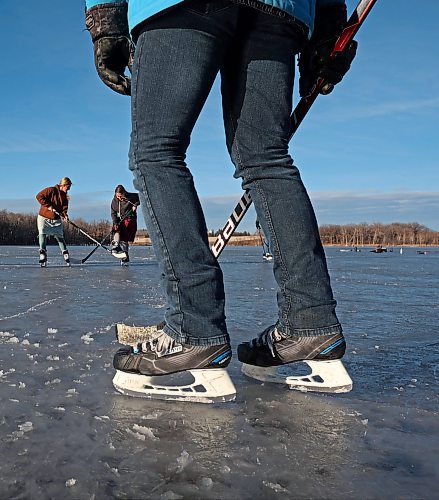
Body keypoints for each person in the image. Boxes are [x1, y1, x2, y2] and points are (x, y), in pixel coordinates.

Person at [85, 0, 357, 400]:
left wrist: (105, 19)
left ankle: (194, 330)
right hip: (280, 10)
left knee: (156, 152)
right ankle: (310, 323)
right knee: (266, 158)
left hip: (181, 7)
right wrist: (331, 25)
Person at [36, 177, 73, 267]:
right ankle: (42, 252)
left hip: (56, 219)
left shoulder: (65, 197)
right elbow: (39, 196)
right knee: (42, 233)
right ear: (63, 185)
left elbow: (64, 209)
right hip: (44, 217)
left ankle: (65, 252)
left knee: (59, 235)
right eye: (68, 187)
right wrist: (48, 206)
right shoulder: (51, 190)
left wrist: (65, 216)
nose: (68, 189)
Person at [111, 184, 140, 264]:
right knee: (116, 229)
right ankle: (116, 246)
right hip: (120, 219)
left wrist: (136, 204)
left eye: (121, 196)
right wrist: (115, 222)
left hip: (130, 218)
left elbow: (141, 197)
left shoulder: (130, 196)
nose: (119, 198)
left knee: (124, 238)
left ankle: (125, 256)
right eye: (118, 196)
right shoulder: (114, 201)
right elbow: (113, 213)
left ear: (124, 193)